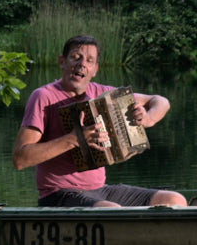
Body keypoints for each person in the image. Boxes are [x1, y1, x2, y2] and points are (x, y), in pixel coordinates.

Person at [12, 35, 187, 207]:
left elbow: (160, 101)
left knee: (174, 200)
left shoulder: (104, 94)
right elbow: (20, 159)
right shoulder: (43, 97)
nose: (82, 64)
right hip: (58, 193)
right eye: (75, 57)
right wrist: (74, 139)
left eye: (89, 60)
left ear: (95, 69)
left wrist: (149, 118)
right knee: (111, 211)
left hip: (100, 190)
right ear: (62, 62)